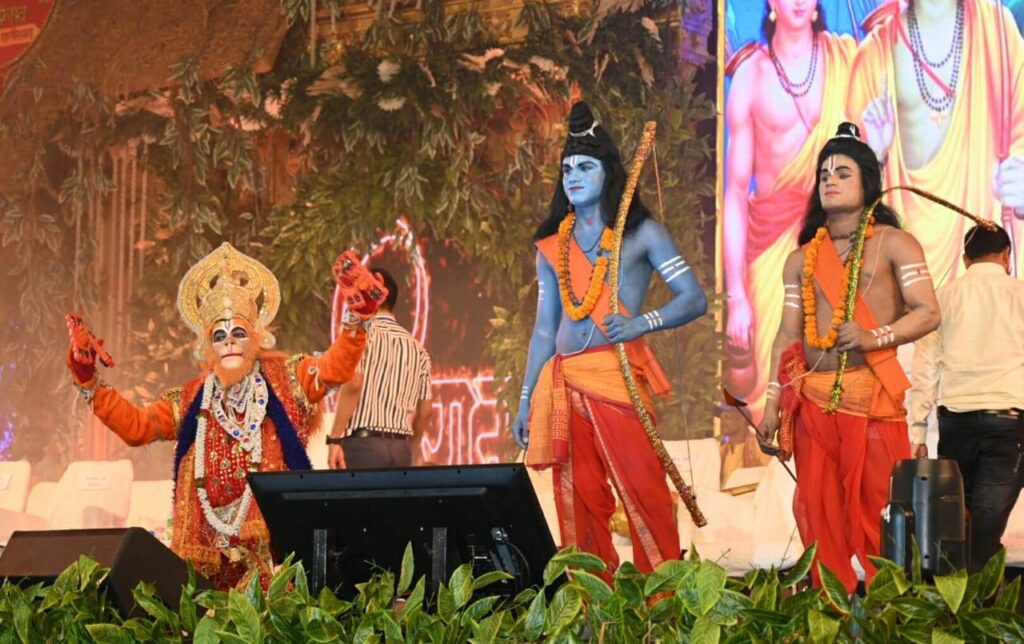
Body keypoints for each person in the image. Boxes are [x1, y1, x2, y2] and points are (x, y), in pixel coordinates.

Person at [65, 243, 382, 589]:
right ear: (209, 347)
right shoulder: (191, 399)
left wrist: (357, 318)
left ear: (256, 338)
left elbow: (334, 369)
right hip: (207, 559)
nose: (229, 342)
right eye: (219, 335)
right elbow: (137, 427)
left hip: (273, 560)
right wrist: (88, 380)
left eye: (238, 333)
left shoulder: (287, 378)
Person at [511, 102, 708, 578]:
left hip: (616, 377)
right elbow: (544, 330)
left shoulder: (641, 234)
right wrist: (525, 400)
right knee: (578, 500)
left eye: (585, 167)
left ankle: (660, 600)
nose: (573, 177)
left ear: (609, 172)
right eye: (567, 169)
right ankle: (591, 602)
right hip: (563, 382)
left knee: (644, 492)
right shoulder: (551, 246)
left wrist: (643, 323)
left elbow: (694, 298)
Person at [758, 123, 940, 593]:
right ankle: (831, 609)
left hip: (872, 400)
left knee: (881, 515)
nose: (830, 181)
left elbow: (928, 312)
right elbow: (787, 336)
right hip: (814, 406)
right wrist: (772, 404)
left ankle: (888, 614)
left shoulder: (895, 244)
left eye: (843, 173)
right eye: (824, 174)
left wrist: (872, 336)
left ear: (868, 183)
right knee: (820, 517)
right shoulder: (801, 258)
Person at [724, 0, 855, 416]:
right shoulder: (751, 76)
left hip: (837, 239)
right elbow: (734, 193)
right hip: (771, 246)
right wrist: (736, 296)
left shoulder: (847, 60)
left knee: (839, 376)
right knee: (773, 383)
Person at [847, 0, 1024, 283]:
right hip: (903, 252)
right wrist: (875, 157)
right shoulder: (875, 54)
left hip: (983, 246)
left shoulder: (998, 31)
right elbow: (846, 188)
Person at [909, 224, 1024, 571]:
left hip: (957, 424)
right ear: (1006, 255)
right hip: (1009, 423)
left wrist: (917, 431)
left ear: (964, 259)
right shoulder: (1020, 294)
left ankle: (960, 595)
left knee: (959, 520)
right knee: (985, 527)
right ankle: (980, 597)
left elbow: (925, 368)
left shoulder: (943, 299)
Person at [326, 268, 432, 469]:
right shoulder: (418, 350)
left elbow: (354, 384)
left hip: (364, 447)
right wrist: (412, 446)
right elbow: (425, 411)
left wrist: (334, 438)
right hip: (401, 449)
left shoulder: (361, 335)